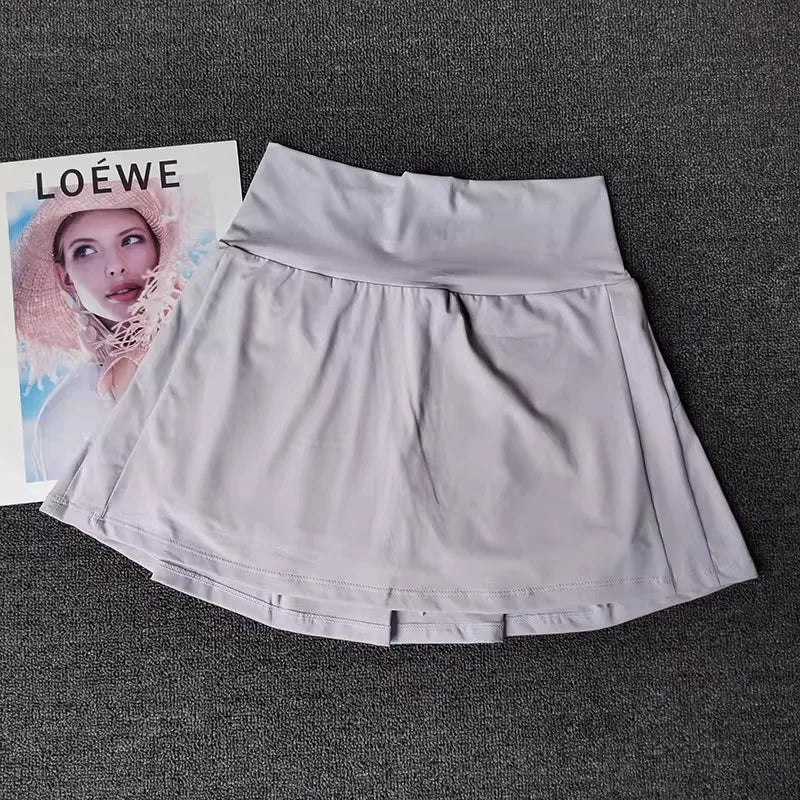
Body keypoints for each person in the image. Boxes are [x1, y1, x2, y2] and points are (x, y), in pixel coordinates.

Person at [11, 181, 188, 482]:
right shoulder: (65, 415)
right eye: (86, 251)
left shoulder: (221, 333)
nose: (115, 266)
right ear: (65, 277)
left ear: (158, 249)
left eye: (131, 240)